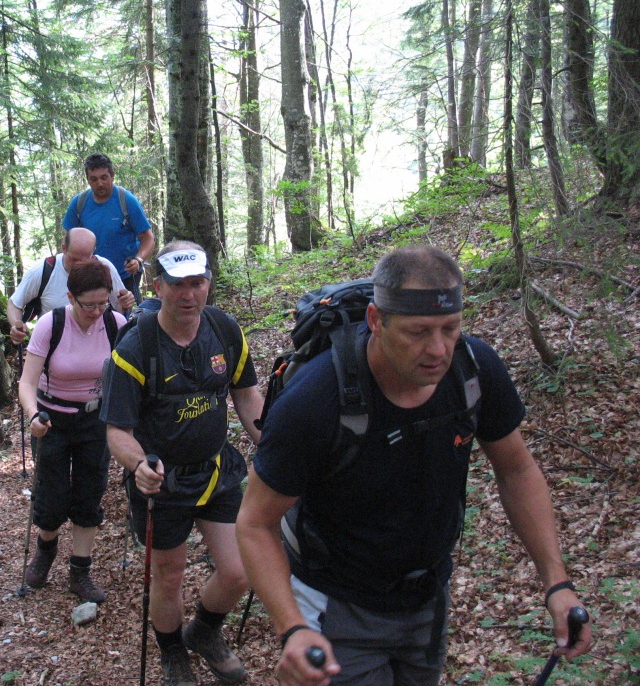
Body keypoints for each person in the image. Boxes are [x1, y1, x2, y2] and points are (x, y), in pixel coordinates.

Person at [236, 245, 593, 686]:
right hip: (336, 605)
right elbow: (255, 523)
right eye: (418, 331)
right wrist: (292, 627)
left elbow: (517, 470)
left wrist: (556, 583)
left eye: (450, 328)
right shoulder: (315, 401)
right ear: (375, 321)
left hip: (427, 600)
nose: (438, 349)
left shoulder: (473, 370)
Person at [102, 240, 263, 686]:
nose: (188, 294)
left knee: (239, 570)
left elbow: (246, 395)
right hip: (162, 484)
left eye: (197, 283)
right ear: (158, 286)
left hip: (217, 471)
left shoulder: (224, 330)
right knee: (169, 575)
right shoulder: (136, 347)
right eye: (177, 285)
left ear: (209, 283)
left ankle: (204, 632)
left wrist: (273, 446)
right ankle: (173, 653)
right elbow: (117, 431)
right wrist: (139, 466)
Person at [19, 259, 127, 603]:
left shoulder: (116, 324)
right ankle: (45, 551)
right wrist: (33, 415)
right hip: (50, 420)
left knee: (89, 492)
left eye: (102, 303)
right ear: (70, 297)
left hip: (96, 420)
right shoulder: (51, 325)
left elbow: (127, 378)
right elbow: (26, 383)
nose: (96, 312)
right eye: (88, 305)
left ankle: (80, 570)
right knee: (51, 495)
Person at [7, 227, 134, 345]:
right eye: (74, 259)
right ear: (64, 248)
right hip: (53, 346)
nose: (79, 264)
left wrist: (126, 302)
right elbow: (14, 303)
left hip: (98, 344)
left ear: (93, 251)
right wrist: (16, 327)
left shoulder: (104, 268)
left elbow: (119, 308)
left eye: (85, 259)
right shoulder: (43, 270)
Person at [63, 153, 155, 302]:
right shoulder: (79, 203)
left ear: (112, 176)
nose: (99, 183)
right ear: (88, 180)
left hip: (124, 276)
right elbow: (69, 241)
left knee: (124, 313)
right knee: (92, 312)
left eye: (104, 177)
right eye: (94, 179)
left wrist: (138, 260)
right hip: (90, 277)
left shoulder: (126, 200)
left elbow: (148, 238)